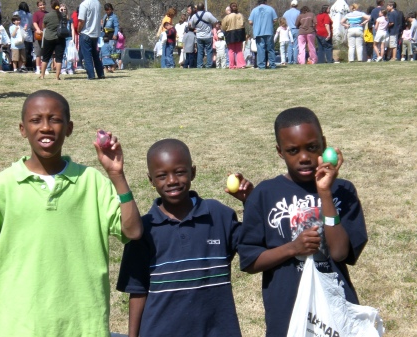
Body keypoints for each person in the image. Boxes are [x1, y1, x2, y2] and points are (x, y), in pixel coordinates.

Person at [0, 89, 143, 336]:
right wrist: (25, 260)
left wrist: (116, 176)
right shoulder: (1, 186)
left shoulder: (92, 182)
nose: (46, 127)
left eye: (55, 119)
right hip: (18, 323)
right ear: (22, 129)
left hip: (82, 322)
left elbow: (133, 231)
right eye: (36, 120)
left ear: (69, 128)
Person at [238, 107, 368, 337]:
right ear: (280, 152)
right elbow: (250, 261)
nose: (305, 157)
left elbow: (339, 253)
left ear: (323, 143)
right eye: (293, 150)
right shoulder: (265, 193)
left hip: (334, 310)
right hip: (287, 312)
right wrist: (293, 248)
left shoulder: (343, 191)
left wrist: (325, 193)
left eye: (312, 147)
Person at [117, 138, 253, 337]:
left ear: (193, 172)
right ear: (151, 180)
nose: (172, 180)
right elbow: (137, 291)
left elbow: (253, 247)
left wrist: (250, 202)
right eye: (162, 175)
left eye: (180, 172)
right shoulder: (144, 229)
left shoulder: (218, 215)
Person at [39, 0, 68, 80]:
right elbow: (66, 21)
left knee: (45, 58)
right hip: (60, 38)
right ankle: (57, 76)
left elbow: (43, 26)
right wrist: (62, 12)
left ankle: (42, 75)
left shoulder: (47, 15)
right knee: (59, 58)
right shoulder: (62, 15)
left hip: (49, 37)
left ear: (51, 6)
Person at [78, 0, 105, 79]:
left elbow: (81, 20)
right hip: (95, 33)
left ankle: (91, 75)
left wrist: (78, 30)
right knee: (95, 55)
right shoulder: (97, 3)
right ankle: (101, 73)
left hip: (86, 32)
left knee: (87, 56)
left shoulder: (84, 4)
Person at [249, 0, 278, 69]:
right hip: (269, 31)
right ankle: (272, 65)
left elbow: (250, 21)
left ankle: (261, 66)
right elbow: (275, 20)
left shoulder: (254, 10)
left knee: (260, 50)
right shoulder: (271, 9)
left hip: (258, 32)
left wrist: (256, 24)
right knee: (270, 49)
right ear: (265, 1)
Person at [189, 2, 218, 68]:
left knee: (200, 51)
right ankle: (209, 65)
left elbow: (191, 25)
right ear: (204, 7)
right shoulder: (208, 14)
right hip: (208, 35)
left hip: (199, 36)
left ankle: (199, 65)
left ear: (197, 9)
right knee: (209, 51)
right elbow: (215, 21)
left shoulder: (194, 16)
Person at [221, 2, 246, 69]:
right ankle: (241, 64)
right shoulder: (240, 15)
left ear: (230, 9)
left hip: (230, 33)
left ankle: (232, 65)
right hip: (239, 32)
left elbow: (223, 26)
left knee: (231, 50)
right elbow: (243, 23)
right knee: (239, 49)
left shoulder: (227, 17)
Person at [13, 2, 33, 70]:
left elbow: (13, 21)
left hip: (18, 34)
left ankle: (18, 66)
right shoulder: (30, 15)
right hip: (28, 35)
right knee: (27, 52)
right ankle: (27, 65)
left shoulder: (16, 13)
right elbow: (31, 24)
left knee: (18, 52)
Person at [32, 0, 49, 74]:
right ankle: (38, 68)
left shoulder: (48, 14)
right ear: (38, 6)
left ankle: (45, 68)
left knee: (45, 52)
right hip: (38, 35)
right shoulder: (36, 14)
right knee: (38, 53)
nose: (42, 6)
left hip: (47, 35)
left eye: (43, 5)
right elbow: (34, 22)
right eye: (41, 5)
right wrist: (38, 29)